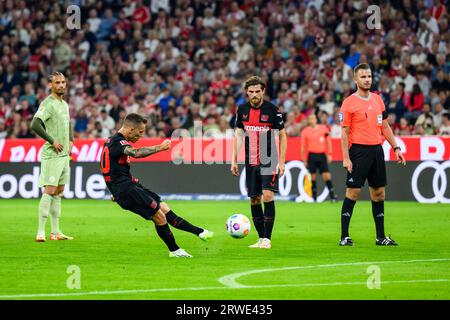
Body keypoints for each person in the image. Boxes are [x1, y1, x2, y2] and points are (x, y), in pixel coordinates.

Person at [100, 113, 213, 258]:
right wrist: (160, 147)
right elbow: (136, 153)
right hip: (126, 189)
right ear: (130, 129)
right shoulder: (119, 142)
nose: (140, 136)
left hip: (129, 186)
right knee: (159, 216)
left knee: (164, 208)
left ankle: (200, 232)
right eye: (140, 132)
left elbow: (108, 168)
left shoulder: (111, 141)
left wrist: (113, 190)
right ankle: (175, 251)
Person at [339, 63, 406, 246]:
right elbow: (344, 133)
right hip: (358, 151)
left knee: (379, 194)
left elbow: (385, 126)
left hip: (377, 150)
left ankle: (381, 237)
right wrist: (346, 157)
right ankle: (344, 236)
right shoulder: (349, 103)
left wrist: (396, 148)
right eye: (363, 77)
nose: (367, 79)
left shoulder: (377, 100)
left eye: (369, 76)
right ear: (355, 79)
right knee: (352, 193)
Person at [231, 76, 287, 249]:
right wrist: (234, 160)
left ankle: (268, 239)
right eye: (251, 92)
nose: (254, 94)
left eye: (257, 91)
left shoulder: (272, 109)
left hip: (269, 158)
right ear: (247, 93)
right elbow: (239, 134)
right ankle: (261, 238)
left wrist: (282, 161)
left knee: (268, 195)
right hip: (250, 160)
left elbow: (283, 135)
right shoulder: (242, 109)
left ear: (263, 91)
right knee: (254, 199)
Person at [31, 72, 73, 242]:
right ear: (51, 85)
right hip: (52, 155)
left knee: (59, 191)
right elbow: (35, 124)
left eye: (63, 82)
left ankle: (55, 232)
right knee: (49, 190)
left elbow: (68, 123)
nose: (61, 85)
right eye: (57, 83)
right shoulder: (47, 104)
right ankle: (40, 231)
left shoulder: (64, 104)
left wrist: (71, 139)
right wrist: (52, 140)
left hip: (64, 155)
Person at [300, 114, 338, 202]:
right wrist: (304, 160)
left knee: (327, 176)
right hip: (312, 155)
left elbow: (328, 141)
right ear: (309, 121)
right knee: (313, 177)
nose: (312, 120)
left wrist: (329, 154)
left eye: (313, 118)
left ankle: (333, 196)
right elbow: (303, 147)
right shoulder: (305, 131)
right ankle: (314, 198)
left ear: (316, 119)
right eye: (310, 119)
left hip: (322, 155)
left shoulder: (323, 128)